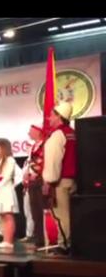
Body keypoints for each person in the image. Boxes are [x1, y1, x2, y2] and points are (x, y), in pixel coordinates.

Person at [43, 102, 77, 251]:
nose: (49, 118)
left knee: (61, 215)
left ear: (59, 116)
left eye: (51, 115)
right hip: (73, 180)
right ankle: (71, 243)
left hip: (60, 181)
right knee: (71, 214)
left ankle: (65, 245)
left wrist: (49, 180)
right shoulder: (73, 133)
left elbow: (53, 160)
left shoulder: (58, 135)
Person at [0, 138, 20, 250]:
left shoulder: (10, 160)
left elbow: (6, 176)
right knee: (3, 216)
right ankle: (5, 240)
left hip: (5, 190)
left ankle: (9, 241)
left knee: (7, 215)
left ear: (3, 147)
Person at [23, 124, 46, 249]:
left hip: (41, 180)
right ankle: (39, 240)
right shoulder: (32, 147)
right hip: (32, 182)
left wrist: (37, 173)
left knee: (42, 210)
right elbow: (30, 162)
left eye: (31, 131)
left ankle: (45, 238)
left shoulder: (45, 145)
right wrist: (27, 174)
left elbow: (44, 162)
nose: (28, 133)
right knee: (34, 211)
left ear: (38, 132)